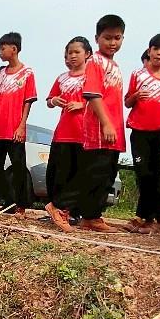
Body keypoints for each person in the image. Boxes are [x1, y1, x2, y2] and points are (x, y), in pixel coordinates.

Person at [73, 16, 127, 233]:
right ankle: (89, 216)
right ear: (97, 38)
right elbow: (93, 94)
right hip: (99, 128)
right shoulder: (95, 61)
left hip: (114, 129)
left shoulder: (114, 65)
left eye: (117, 38)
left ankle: (96, 215)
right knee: (96, 172)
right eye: (107, 38)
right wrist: (106, 123)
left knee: (108, 173)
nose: (112, 43)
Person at [125, 34, 160, 234]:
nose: (159, 53)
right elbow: (127, 102)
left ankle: (153, 217)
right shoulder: (137, 75)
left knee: (159, 175)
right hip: (139, 132)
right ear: (149, 51)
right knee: (144, 174)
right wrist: (135, 96)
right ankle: (150, 216)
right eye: (155, 48)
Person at [0, 32, 37, 217]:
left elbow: (28, 101)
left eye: (3, 48)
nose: (0, 52)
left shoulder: (27, 73)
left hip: (14, 129)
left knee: (18, 167)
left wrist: (22, 125)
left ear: (14, 49)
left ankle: (20, 206)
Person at [44, 36, 93, 232]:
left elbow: (101, 100)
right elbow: (48, 100)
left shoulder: (92, 77)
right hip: (63, 133)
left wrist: (83, 104)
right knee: (59, 174)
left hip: (84, 133)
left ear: (87, 54)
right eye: (70, 52)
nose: (73, 56)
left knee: (79, 174)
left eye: (77, 52)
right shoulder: (62, 78)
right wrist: (54, 100)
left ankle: (71, 212)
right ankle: (56, 210)